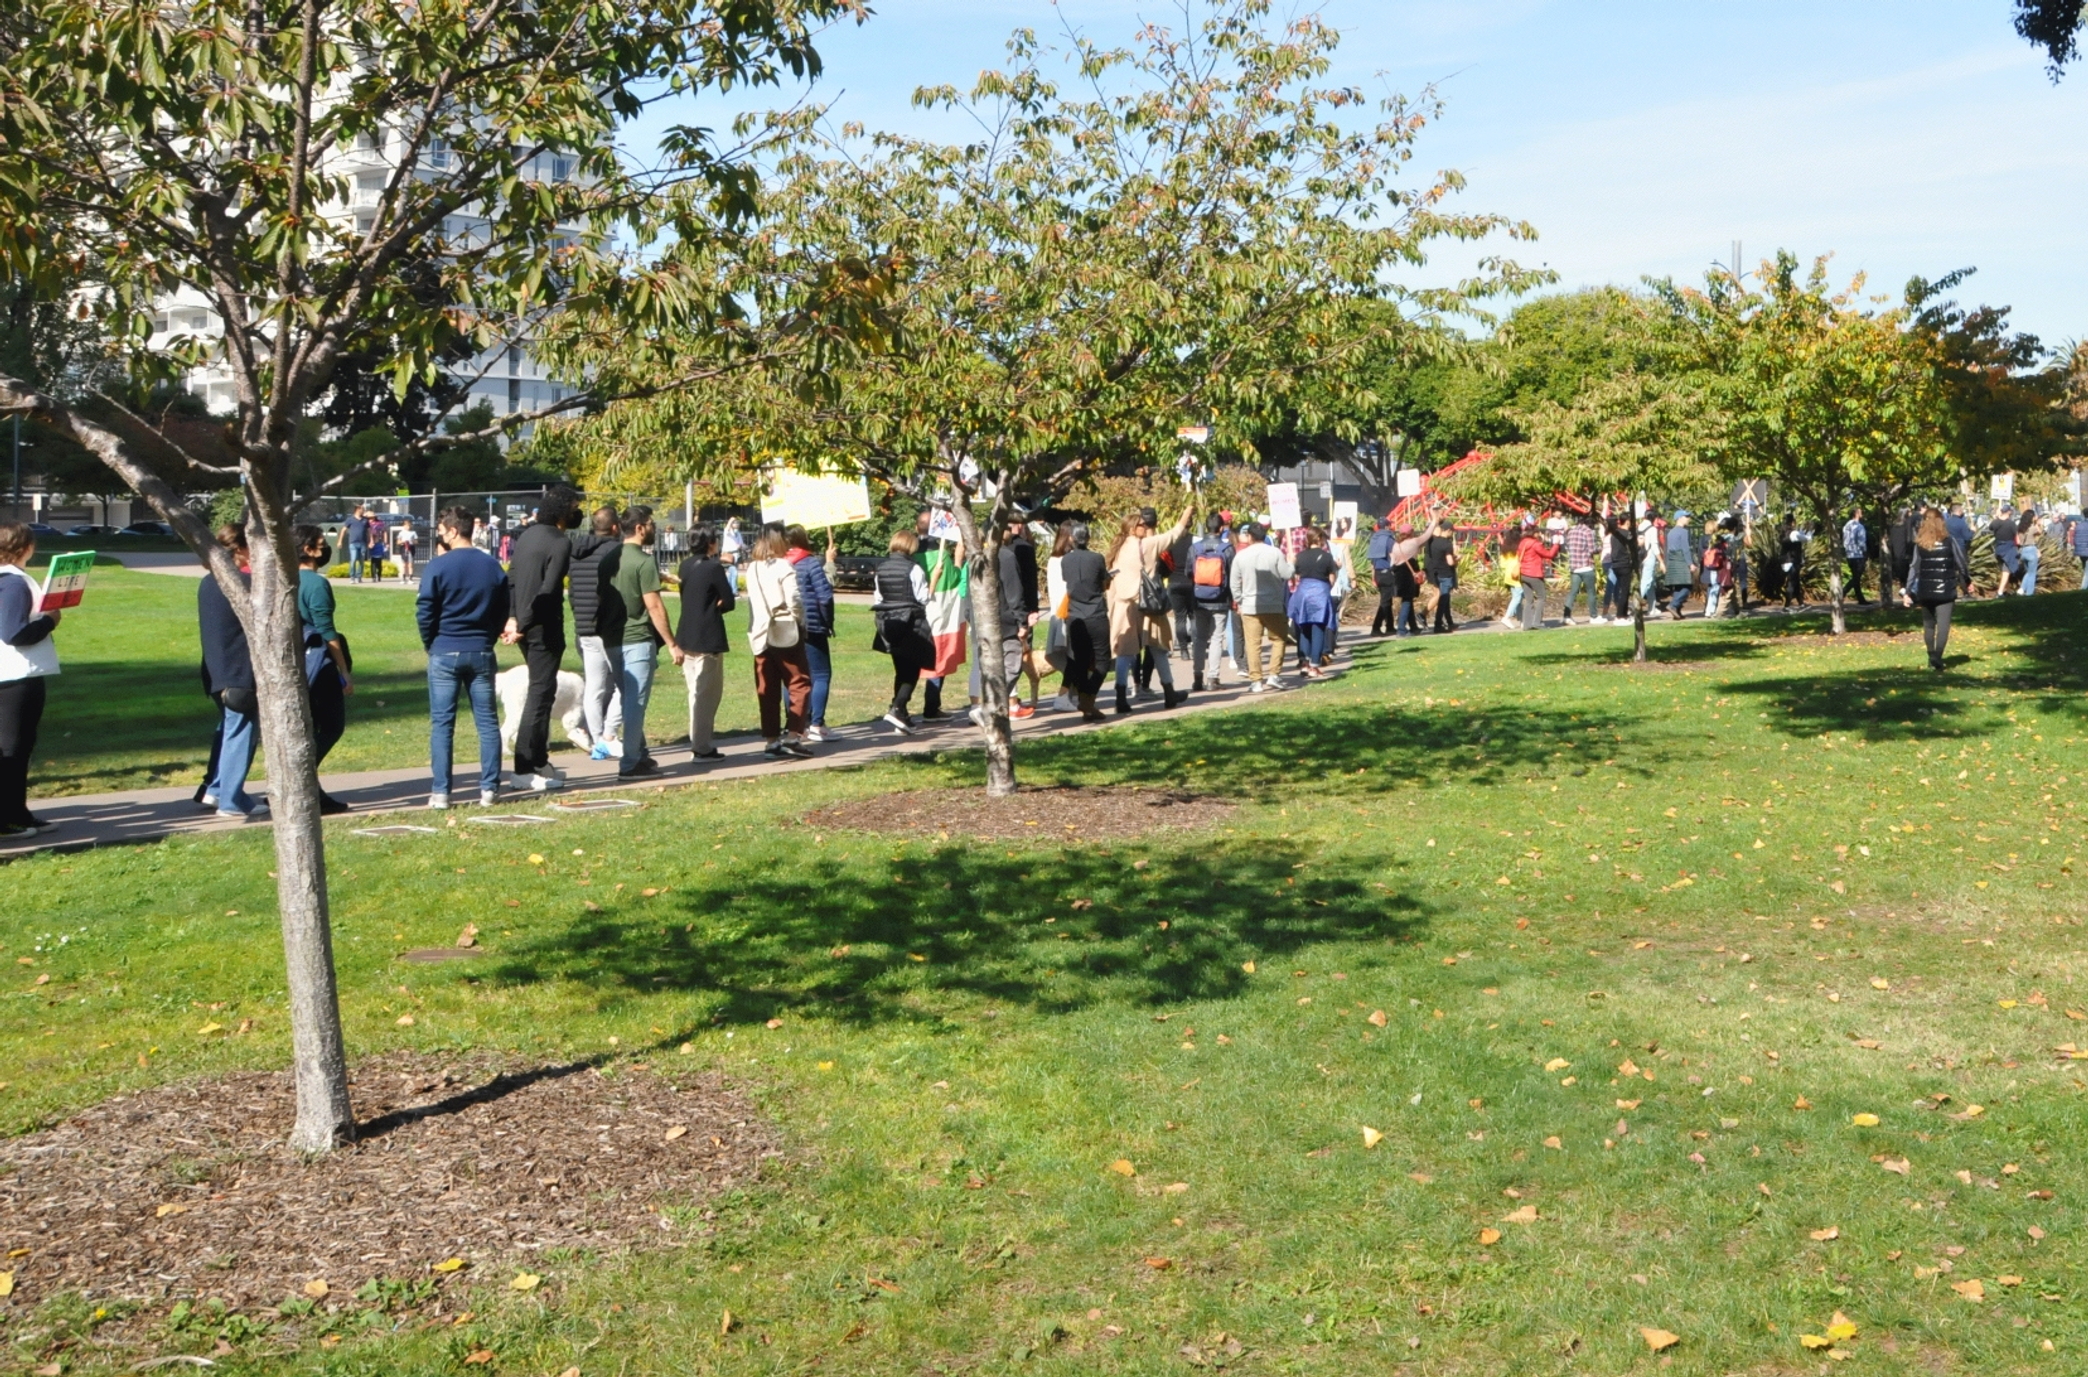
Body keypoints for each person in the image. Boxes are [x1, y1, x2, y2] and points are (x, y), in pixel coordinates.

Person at [416, 507, 508, 808]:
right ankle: (490, 788)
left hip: (444, 649)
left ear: (454, 531)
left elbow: (426, 611)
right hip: (481, 649)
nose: (440, 536)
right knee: (487, 723)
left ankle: (441, 792)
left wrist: (431, 642)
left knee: (443, 725)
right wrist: (488, 636)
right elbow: (501, 610)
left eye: (442, 531)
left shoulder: (437, 567)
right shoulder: (492, 566)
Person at [502, 486, 578, 791]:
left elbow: (511, 579)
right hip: (542, 627)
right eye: (573, 507)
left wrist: (512, 618)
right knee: (539, 694)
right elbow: (548, 592)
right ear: (562, 511)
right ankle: (523, 766)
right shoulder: (560, 542)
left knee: (544, 693)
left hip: (522, 623)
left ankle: (538, 759)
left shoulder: (527, 536)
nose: (576, 512)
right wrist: (524, 623)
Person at [601, 506, 677, 778]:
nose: (654, 528)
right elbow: (655, 606)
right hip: (636, 639)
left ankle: (639, 755)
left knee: (628, 700)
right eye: (651, 524)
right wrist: (671, 642)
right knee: (635, 703)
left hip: (612, 640)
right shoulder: (644, 563)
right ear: (639, 528)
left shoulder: (608, 559)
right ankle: (630, 763)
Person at [198, 525, 264, 821]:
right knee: (241, 735)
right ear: (240, 549)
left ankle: (217, 787)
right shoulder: (242, 583)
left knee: (228, 731)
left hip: (215, 672)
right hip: (239, 673)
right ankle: (231, 799)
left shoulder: (208, 582)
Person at [0, 521, 60, 836]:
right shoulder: (13, 583)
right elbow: (14, 634)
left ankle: (17, 812)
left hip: (11, 675)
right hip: (15, 676)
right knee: (12, 748)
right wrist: (49, 622)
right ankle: (7, 818)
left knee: (19, 746)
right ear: (27, 549)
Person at [1106, 504, 1193, 713]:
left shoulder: (1117, 549)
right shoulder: (1147, 545)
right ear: (1132, 528)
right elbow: (1175, 533)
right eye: (1142, 525)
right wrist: (1187, 511)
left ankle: (1121, 697)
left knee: (1124, 653)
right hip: (1148, 604)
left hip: (1124, 606)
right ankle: (1169, 692)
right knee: (1159, 649)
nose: (1145, 527)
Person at [294, 525, 352, 815]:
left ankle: (305, 785)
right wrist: (344, 671)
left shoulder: (285, 580)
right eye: (320, 544)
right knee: (331, 726)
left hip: (295, 663)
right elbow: (327, 632)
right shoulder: (315, 584)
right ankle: (301, 780)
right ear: (307, 549)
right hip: (319, 663)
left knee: (308, 727)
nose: (325, 548)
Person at [743, 529, 814, 758]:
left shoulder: (752, 568)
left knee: (767, 689)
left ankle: (771, 740)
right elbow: (793, 598)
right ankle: (793, 735)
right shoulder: (783, 566)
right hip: (784, 630)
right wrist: (799, 619)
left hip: (759, 633)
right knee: (798, 682)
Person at [673, 523, 734, 760]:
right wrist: (717, 603)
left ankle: (697, 739)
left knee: (694, 691)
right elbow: (728, 601)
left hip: (686, 634)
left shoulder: (685, 565)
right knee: (707, 693)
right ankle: (701, 745)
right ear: (711, 542)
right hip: (708, 636)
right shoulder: (713, 568)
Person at [567, 506, 624, 760]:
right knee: (626, 684)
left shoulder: (575, 553)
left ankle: (597, 737)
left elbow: (573, 592)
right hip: (609, 626)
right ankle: (609, 734)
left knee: (595, 687)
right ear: (615, 527)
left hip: (584, 626)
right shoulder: (616, 551)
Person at [784, 525, 839, 740]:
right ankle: (816, 724)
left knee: (791, 677)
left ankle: (795, 723)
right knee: (820, 674)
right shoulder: (810, 563)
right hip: (812, 626)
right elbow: (824, 596)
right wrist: (827, 622)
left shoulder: (779, 564)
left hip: (786, 626)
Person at [1229, 521, 1293, 691]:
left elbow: (1234, 582)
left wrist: (1239, 600)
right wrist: (1292, 563)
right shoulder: (1275, 553)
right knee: (1279, 639)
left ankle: (1256, 681)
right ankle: (1274, 675)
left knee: (1252, 643)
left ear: (1249, 537)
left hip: (1250, 605)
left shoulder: (1241, 556)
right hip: (1273, 604)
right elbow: (1287, 574)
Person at [1057, 523, 1112, 721]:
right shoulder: (1097, 558)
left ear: (1071, 538)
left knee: (1079, 662)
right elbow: (1103, 582)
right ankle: (1088, 700)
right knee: (1103, 660)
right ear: (1088, 538)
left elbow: (1069, 581)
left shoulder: (1065, 560)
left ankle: (1086, 703)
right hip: (1096, 614)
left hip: (1075, 615)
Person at [1904, 506, 1966, 671]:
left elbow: (1914, 567)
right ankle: (1937, 656)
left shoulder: (1920, 545)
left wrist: (1908, 590)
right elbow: (1961, 563)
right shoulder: (1949, 541)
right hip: (1946, 590)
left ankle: (1931, 654)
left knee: (1929, 625)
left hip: (1926, 590)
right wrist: (1967, 581)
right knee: (1943, 626)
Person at [1187, 512, 1235, 686]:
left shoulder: (1195, 548)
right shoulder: (1227, 548)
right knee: (1216, 638)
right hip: (1221, 599)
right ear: (1221, 528)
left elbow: (1189, 572)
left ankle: (1197, 676)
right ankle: (1212, 678)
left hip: (1199, 599)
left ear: (1207, 527)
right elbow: (1232, 573)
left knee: (1199, 638)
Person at [1289, 527, 1340, 675]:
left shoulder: (1300, 556)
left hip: (1302, 592)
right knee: (1318, 627)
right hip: (1319, 593)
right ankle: (1314, 664)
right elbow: (1331, 581)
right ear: (1319, 539)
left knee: (1303, 626)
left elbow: (1296, 577)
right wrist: (1337, 569)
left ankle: (1304, 661)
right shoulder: (1327, 557)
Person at [1516, 520, 1562, 630]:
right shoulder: (1535, 544)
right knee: (1541, 597)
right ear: (1534, 533)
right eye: (1538, 532)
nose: (1539, 534)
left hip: (1523, 573)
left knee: (1529, 599)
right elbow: (1549, 554)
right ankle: (1537, 622)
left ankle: (1527, 625)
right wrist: (1556, 545)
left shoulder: (1522, 542)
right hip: (1534, 574)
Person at [1561, 511, 1601, 625]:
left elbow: (1568, 547)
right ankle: (1593, 616)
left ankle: (1566, 615)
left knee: (1572, 592)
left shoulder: (1571, 532)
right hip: (1586, 566)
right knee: (1591, 592)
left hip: (1574, 566)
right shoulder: (1588, 532)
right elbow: (1592, 549)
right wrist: (1601, 548)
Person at [1423, 518, 1458, 633]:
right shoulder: (1447, 544)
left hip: (1436, 573)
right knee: (1444, 599)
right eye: (1451, 531)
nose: (1452, 533)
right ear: (1447, 530)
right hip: (1446, 573)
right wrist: (1457, 558)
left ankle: (1447, 622)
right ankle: (1438, 624)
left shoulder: (1433, 542)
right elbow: (1450, 562)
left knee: (1443, 598)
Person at [1367, 518, 1399, 636]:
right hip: (1387, 572)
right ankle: (1376, 627)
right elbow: (1394, 556)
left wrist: (1373, 577)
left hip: (1377, 572)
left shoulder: (1374, 539)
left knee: (1387, 600)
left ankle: (1390, 626)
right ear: (1386, 526)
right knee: (1385, 601)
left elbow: (1372, 561)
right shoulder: (1389, 540)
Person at [1662, 512, 1694, 620]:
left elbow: (1667, 549)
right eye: (1686, 517)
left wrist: (1666, 563)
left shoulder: (1670, 532)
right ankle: (1673, 605)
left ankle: (1677, 612)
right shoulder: (1683, 532)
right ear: (1679, 518)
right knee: (1687, 586)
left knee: (1678, 587)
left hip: (1672, 561)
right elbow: (1685, 548)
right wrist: (1690, 563)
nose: (1689, 519)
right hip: (1681, 560)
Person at [1988, 504, 2020, 597]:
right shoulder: (2011, 523)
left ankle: (2008, 590)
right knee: (2006, 572)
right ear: (2009, 512)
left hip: (1998, 549)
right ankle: (2000, 592)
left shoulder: (1995, 522)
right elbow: (2017, 538)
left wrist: (1997, 516)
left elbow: (1990, 527)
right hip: (2008, 549)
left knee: (2005, 569)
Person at [1778, 517, 1808, 609]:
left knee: (1796, 582)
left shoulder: (1783, 534)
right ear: (1792, 523)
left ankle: (1801, 603)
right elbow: (1806, 539)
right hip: (1792, 560)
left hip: (1784, 561)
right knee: (1792, 583)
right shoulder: (1794, 533)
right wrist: (1809, 531)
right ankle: (1786, 606)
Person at [1842, 508, 1869, 603]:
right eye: (1860, 512)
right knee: (1856, 577)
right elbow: (1861, 542)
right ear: (1856, 514)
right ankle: (1843, 591)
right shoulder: (1859, 527)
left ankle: (1861, 599)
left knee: (1855, 577)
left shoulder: (1846, 526)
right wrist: (1865, 553)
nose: (1862, 513)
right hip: (1858, 554)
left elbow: (1845, 541)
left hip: (1849, 554)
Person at [2016, 508, 2043, 595]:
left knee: (2028, 572)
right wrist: (2038, 524)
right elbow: (2040, 532)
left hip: (2022, 551)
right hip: (2031, 550)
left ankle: (2022, 589)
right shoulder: (2032, 528)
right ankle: (2029, 593)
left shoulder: (2020, 528)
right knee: (2032, 574)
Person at [345, 506, 367, 584]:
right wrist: (339, 541)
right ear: (357, 510)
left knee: (361, 561)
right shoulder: (350, 519)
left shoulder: (365, 520)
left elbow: (369, 531)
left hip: (363, 543)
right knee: (353, 560)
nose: (363, 511)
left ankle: (359, 577)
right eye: (362, 510)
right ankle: (352, 577)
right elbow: (344, 529)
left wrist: (371, 541)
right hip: (353, 543)